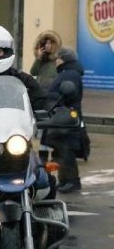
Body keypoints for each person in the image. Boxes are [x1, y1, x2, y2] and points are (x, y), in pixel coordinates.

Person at [43, 47, 85, 194]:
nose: (56, 60)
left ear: (64, 59)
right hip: (60, 117)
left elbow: (66, 92)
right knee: (61, 149)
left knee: (66, 150)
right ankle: (65, 180)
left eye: (58, 57)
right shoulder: (66, 73)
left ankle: (71, 181)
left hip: (66, 118)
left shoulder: (70, 75)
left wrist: (53, 100)